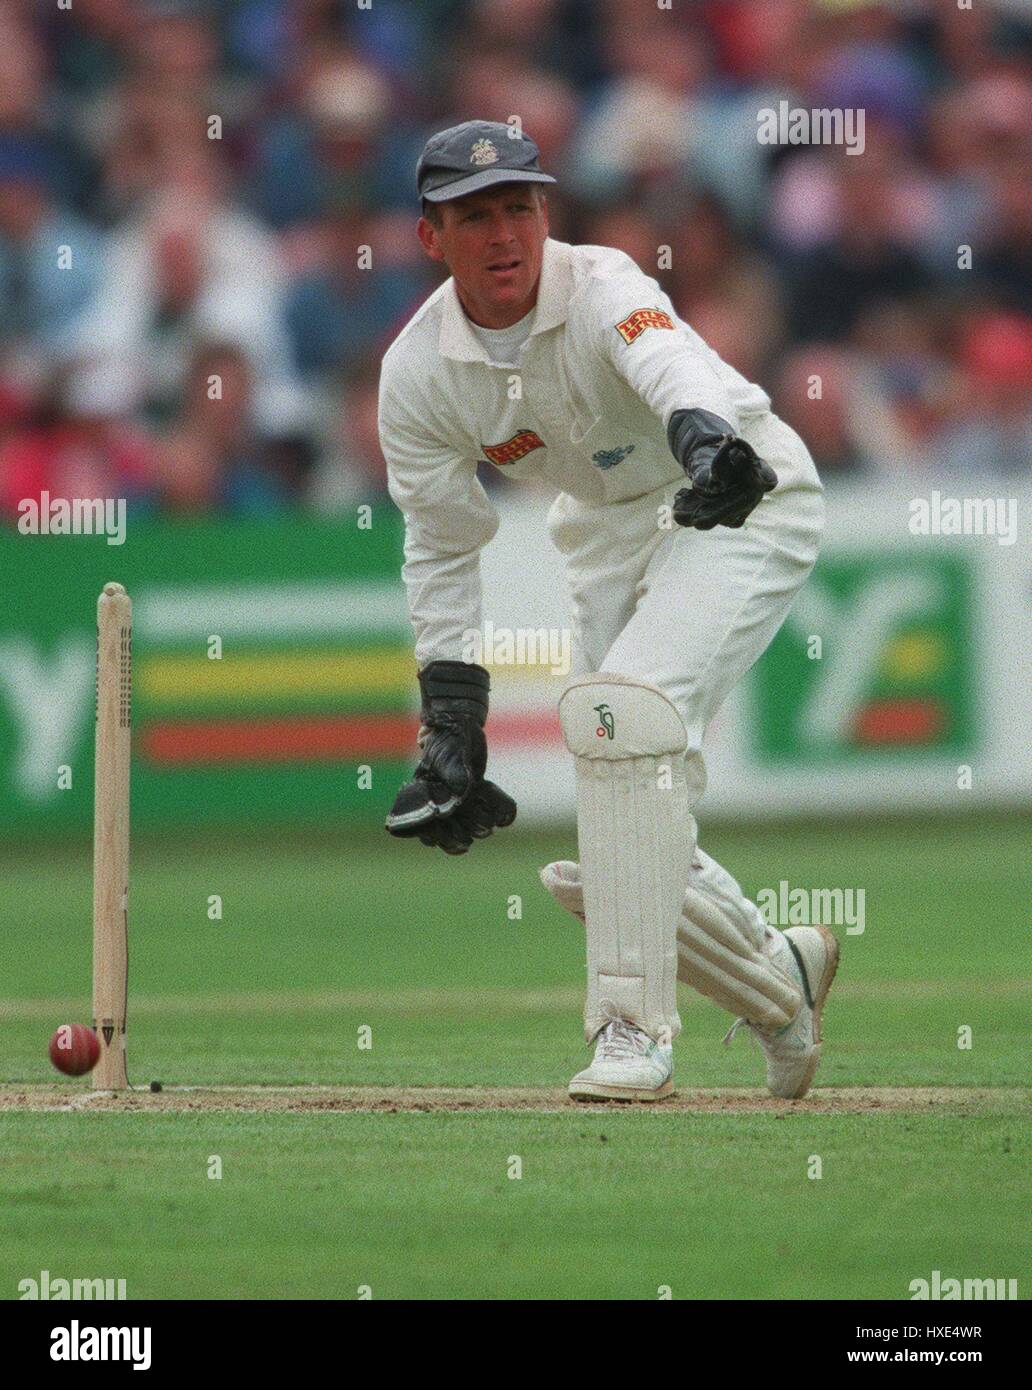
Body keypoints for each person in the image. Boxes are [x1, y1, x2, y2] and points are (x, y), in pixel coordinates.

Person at [378, 120, 837, 1103]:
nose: (503, 235)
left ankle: (633, 1030)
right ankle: (778, 977)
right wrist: (450, 716)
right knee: (623, 795)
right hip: (604, 532)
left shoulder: (603, 285)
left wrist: (708, 441)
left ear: (545, 213)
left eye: (518, 208)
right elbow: (442, 544)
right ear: (431, 236)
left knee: (620, 721)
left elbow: (666, 362)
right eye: (474, 217)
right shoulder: (417, 374)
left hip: (737, 490)